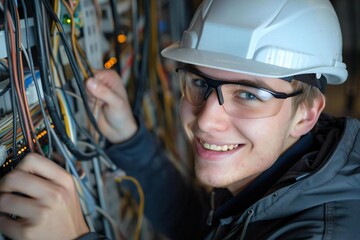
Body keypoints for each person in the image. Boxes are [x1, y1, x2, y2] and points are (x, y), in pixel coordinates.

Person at [0, 0, 360, 239]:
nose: (207, 120)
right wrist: (129, 140)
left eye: (249, 94)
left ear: (307, 114)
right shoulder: (291, 174)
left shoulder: (321, 231)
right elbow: (195, 226)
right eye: (201, 83)